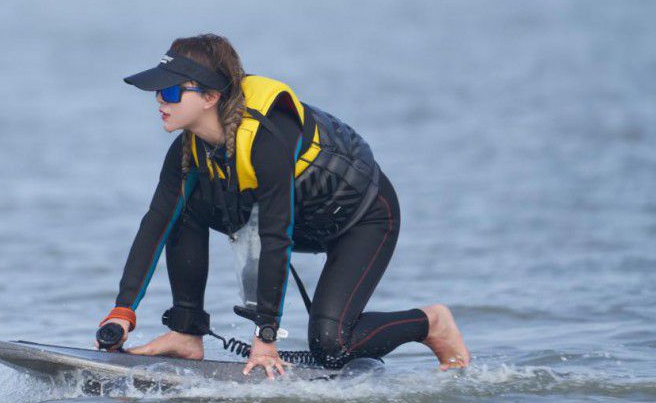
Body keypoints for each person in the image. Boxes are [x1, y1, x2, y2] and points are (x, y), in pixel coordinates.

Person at [96, 34, 471, 378]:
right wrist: (123, 310)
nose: (160, 100)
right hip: (304, 222)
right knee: (181, 208)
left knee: (332, 346)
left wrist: (266, 338)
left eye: (172, 91)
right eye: (158, 92)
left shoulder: (269, 136)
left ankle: (430, 323)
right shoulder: (187, 150)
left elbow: (275, 237)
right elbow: (156, 224)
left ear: (210, 97)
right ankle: (186, 329)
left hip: (362, 220)